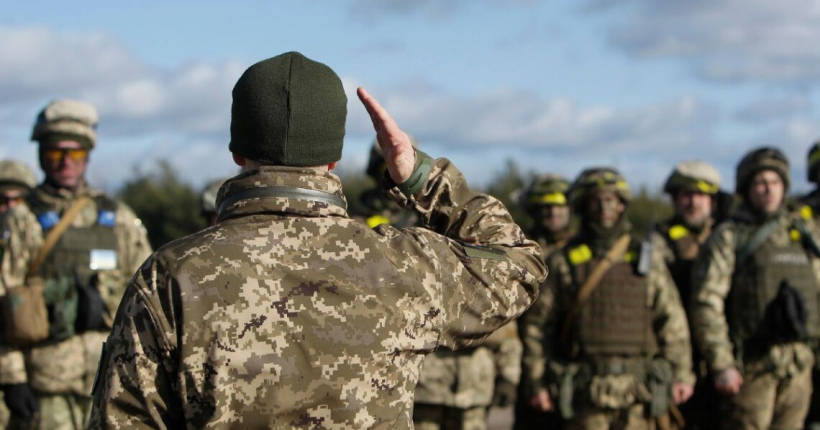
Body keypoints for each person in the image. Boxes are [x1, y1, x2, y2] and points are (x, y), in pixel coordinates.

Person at [87, 51, 546, 429]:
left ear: (237, 151)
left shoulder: (172, 274)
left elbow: (123, 419)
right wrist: (420, 176)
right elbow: (519, 264)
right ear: (332, 160)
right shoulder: (405, 263)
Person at [0, 99, 152, 430]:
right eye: (56, 152)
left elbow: (149, 300)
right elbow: (3, 302)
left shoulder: (119, 219)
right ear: (41, 153)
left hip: (112, 382)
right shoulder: (22, 221)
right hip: (47, 386)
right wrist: (12, 378)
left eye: (76, 153)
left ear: (88, 155)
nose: (66, 162)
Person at [521, 167, 694, 430]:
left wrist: (681, 374)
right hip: (584, 395)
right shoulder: (565, 261)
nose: (604, 207)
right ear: (583, 206)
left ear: (622, 204)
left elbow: (671, 320)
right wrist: (536, 382)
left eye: (611, 199)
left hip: (640, 394)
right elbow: (539, 327)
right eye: (596, 200)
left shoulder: (646, 258)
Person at [691, 147, 819, 430]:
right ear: (747, 188)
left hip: (799, 365)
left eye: (775, 182)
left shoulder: (801, 233)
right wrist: (722, 363)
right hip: (751, 366)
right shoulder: (731, 235)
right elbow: (706, 302)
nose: (768, 190)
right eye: (760, 183)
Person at [655, 161, 722, 430]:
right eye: (686, 194)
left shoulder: (729, 234)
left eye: (701, 194)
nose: (693, 202)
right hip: (678, 356)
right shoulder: (659, 240)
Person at [514, 173, 573, 430]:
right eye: (545, 206)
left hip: (572, 357)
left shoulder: (581, 250)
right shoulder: (516, 249)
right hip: (528, 354)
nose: (553, 212)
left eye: (559, 205)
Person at [356, 139, 420, 228]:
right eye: (388, 167)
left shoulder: (424, 215)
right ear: (376, 172)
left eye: (404, 168)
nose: (396, 174)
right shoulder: (358, 217)